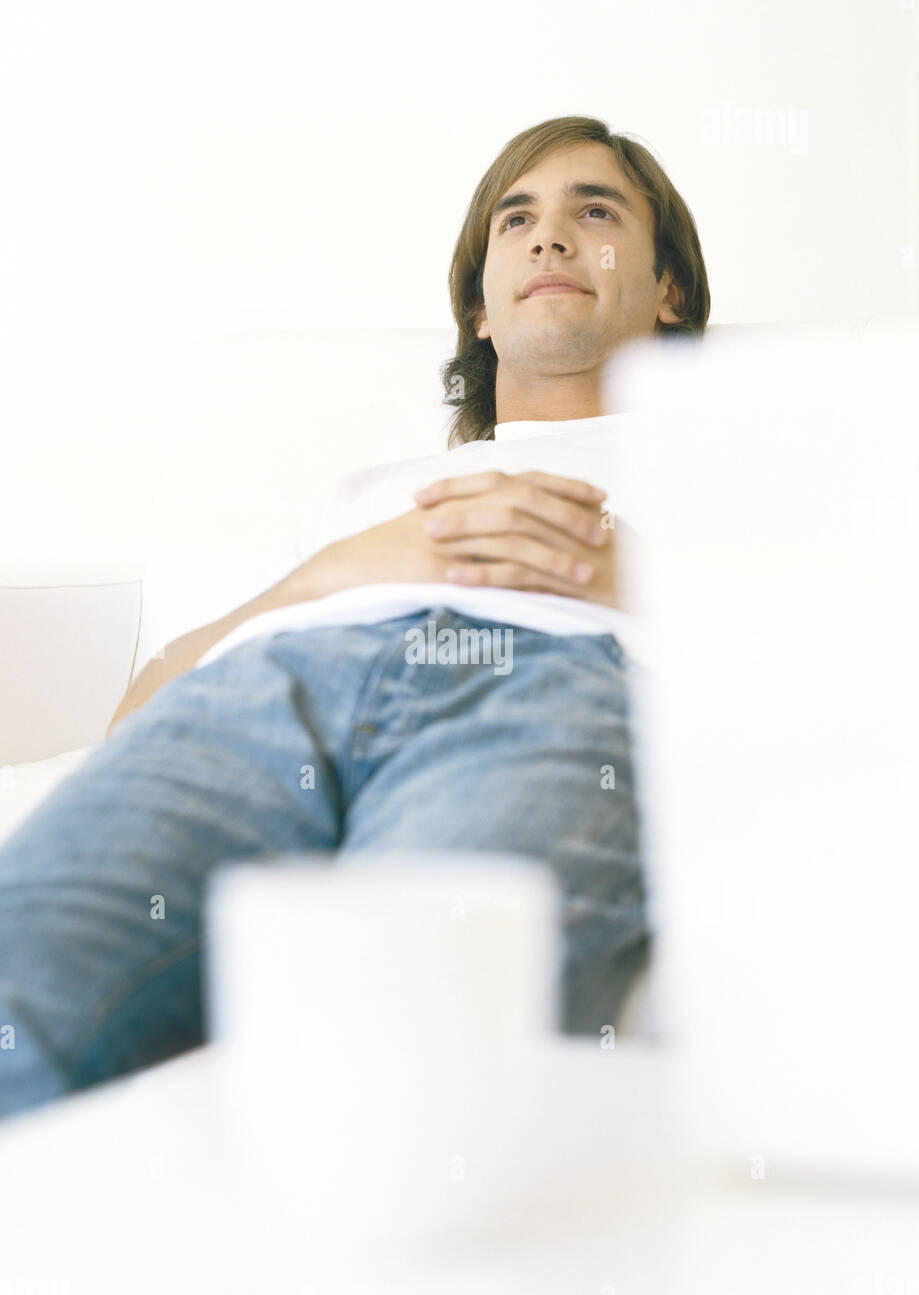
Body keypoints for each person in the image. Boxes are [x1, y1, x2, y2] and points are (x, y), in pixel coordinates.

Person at [0, 114, 709, 1122]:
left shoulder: (739, 459)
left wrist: (635, 572)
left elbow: (848, 673)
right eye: (517, 219)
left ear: (669, 287)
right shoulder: (369, 494)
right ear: (479, 311)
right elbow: (136, 712)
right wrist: (332, 572)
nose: (548, 237)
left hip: (553, 688)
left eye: (593, 212)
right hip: (273, 688)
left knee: (413, 1081)